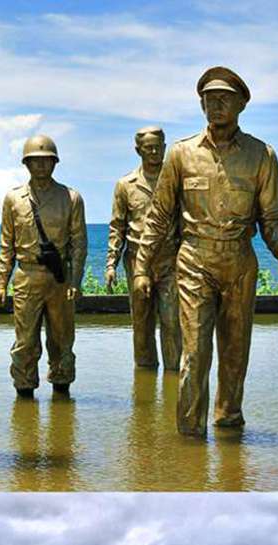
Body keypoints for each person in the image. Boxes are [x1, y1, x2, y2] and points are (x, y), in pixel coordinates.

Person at [134, 66, 278, 437]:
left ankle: (228, 424)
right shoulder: (181, 154)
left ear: (241, 104)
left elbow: (271, 219)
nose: (216, 105)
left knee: (235, 352)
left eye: (225, 99)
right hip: (194, 260)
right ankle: (190, 434)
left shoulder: (261, 155)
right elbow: (158, 217)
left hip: (239, 260)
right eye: (209, 99)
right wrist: (142, 266)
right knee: (194, 352)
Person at [0, 135, 87, 397]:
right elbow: (7, 244)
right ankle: (24, 392)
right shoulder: (14, 199)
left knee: (62, 340)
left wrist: (75, 281)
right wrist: (2, 281)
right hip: (27, 275)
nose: (41, 167)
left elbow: (79, 244)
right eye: (35, 161)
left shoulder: (71, 198)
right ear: (26, 164)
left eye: (46, 161)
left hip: (59, 278)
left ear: (55, 163)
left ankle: (62, 389)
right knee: (25, 341)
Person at [106, 127, 181, 372]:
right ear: (138, 150)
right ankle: (145, 379)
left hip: (170, 260)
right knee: (142, 323)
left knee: (172, 321)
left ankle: (173, 377)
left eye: (158, 146)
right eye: (148, 147)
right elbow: (117, 227)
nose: (154, 151)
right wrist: (111, 265)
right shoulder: (125, 185)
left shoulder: (176, 181)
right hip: (136, 261)